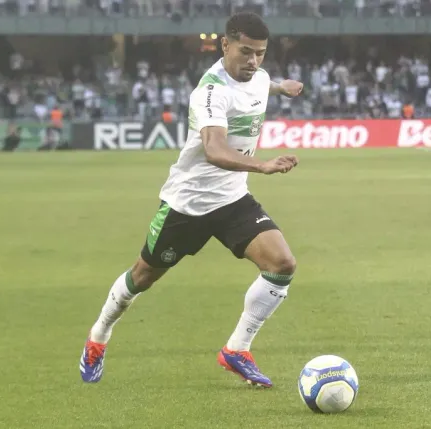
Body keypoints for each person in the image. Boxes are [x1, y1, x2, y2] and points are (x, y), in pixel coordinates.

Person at [79, 12, 304, 388]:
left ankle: (237, 349)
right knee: (142, 277)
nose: (253, 61)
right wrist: (262, 165)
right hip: (189, 204)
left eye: (260, 54)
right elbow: (215, 149)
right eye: (245, 52)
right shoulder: (210, 92)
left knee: (282, 264)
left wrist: (284, 87)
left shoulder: (259, 76)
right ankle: (98, 336)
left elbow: (264, 84)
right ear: (225, 44)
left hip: (232, 199)